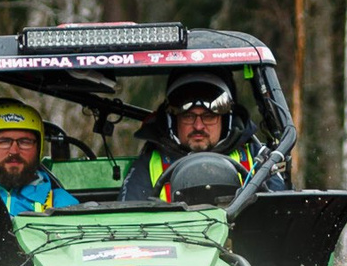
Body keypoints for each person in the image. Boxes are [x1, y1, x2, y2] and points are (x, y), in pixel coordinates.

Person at [121, 73, 286, 202]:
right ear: (173, 120)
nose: (198, 126)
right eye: (188, 116)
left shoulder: (257, 159)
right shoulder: (149, 164)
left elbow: (282, 216)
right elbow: (128, 226)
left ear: (225, 119)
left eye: (208, 116)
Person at [0, 103, 79, 215]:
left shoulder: (62, 204)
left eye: (25, 142)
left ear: (38, 148)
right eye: (4, 141)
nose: (14, 151)